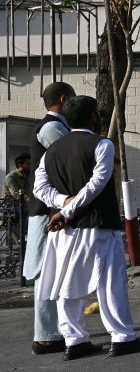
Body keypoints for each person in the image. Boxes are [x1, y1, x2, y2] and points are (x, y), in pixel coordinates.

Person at [32, 95, 140, 360]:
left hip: (63, 229)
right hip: (96, 224)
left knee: (67, 285)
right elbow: (96, 186)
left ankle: (74, 340)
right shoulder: (102, 144)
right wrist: (68, 207)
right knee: (110, 282)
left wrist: (63, 206)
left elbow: (39, 188)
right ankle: (122, 337)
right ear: (92, 117)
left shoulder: (52, 150)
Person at [25, 81, 74, 355]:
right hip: (47, 212)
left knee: (53, 272)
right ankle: (45, 336)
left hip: (49, 210)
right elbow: (72, 159)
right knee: (45, 273)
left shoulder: (54, 127)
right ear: (64, 99)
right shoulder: (52, 128)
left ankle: (54, 331)